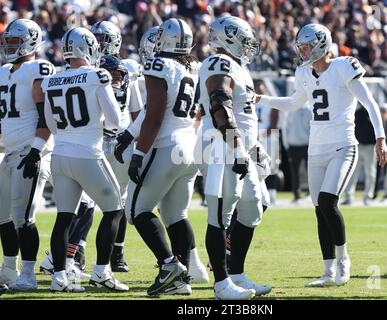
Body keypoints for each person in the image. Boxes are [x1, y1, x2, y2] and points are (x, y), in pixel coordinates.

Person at [257, 24, 387, 287]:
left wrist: (380, 138)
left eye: (306, 47)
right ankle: (328, 271)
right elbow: (294, 103)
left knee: (328, 202)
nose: (303, 52)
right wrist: (262, 98)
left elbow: (370, 103)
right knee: (319, 210)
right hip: (315, 149)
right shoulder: (304, 72)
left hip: (343, 145)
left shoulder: (343, 67)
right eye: (301, 47)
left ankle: (343, 261)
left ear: (320, 45)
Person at [116, 25, 210, 285]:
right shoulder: (195, 67)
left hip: (166, 146)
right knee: (175, 214)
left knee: (136, 210)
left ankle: (169, 266)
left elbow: (155, 116)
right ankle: (186, 276)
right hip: (189, 146)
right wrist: (129, 134)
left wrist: (139, 152)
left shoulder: (160, 65)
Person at [41, 27, 128, 292]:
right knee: (114, 209)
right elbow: (114, 120)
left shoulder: (53, 79)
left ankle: (58, 278)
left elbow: (50, 123)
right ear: (88, 47)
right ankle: (101, 271)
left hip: (60, 154)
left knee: (64, 218)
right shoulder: (97, 75)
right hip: (89, 153)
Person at [199, 16, 272, 300]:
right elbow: (220, 102)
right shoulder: (220, 63)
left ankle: (237, 274)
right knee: (220, 214)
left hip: (239, 148)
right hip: (222, 147)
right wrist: (239, 147)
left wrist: (253, 148)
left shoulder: (238, 67)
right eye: (244, 40)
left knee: (254, 207)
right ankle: (221, 283)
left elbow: (242, 116)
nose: (248, 46)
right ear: (227, 38)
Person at [0, 19, 55, 290]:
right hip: (9, 152)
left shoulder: (38, 68)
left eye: (15, 41)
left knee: (23, 218)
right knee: (3, 216)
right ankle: (9, 270)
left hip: (30, 152)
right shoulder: (3, 72)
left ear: (32, 41)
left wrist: (36, 150)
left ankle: (29, 275)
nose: (10, 46)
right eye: (7, 41)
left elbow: (46, 117)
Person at [342, 104, 377, 206]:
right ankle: (348, 197)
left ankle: (368, 197)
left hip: (370, 147)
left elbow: (381, 128)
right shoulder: (356, 113)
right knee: (352, 172)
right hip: (357, 146)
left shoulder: (374, 112)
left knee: (370, 173)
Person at [284, 103, 312, 204]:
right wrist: (286, 144)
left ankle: (310, 193)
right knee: (295, 172)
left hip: (306, 144)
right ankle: (297, 195)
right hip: (294, 145)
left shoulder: (308, 109)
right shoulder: (289, 110)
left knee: (310, 171)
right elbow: (286, 127)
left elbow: (311, 126)